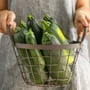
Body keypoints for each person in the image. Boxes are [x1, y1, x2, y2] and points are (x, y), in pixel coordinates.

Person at [0, 0, 90, 90]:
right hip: (20, 56)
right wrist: (2, 14)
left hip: (70, 57)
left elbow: (82, 4)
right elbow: (1, 8)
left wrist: (83, 12)